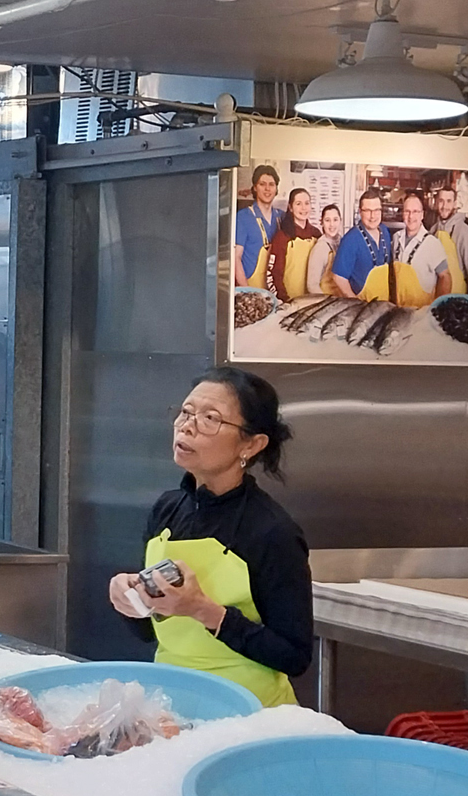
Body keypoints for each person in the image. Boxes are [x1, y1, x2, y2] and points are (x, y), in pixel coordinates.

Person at [108, 367, 311, 708]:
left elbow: (294, 655)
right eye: (186, 412)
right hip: (172, 704)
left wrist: (205, 611)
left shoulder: (273, 531)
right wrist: (129, 601)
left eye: (210, 418)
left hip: (250, 714)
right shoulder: (167, 509)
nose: (187, 426)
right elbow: (148, 632)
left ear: (252, 444)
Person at [328, 189, 392, 298]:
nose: (372, 216)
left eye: (376, 210)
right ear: (360, 212)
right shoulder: (351, 239)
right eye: (368, 211)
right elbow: (338, 277)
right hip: (362, 305)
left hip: (383, 302)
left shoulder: (385, 231)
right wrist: (355, 302)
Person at [392, 189, 451, 307]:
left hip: (422, 311)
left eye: (415, 211)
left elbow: (445, 276)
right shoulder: (396, 238)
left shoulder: (432, 243)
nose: (411, 216)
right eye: (407, 211)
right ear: (402, 213)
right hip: (398, 309)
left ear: (422, 215)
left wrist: (438, 307)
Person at [262, 188, 321, 298]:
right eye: (298, 204)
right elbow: (273, 274)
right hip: (290, 301)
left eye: (307, 203)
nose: (303, 208)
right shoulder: (282, 237)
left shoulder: (316, 234)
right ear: (290, 207)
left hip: (313, 300)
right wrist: (284, 300)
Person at [430, 177, 468, 299]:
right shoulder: (433, 230)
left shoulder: (463, 231)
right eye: (441, 201)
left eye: (449, 201)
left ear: (455, 203)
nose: (444, 206)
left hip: (458, 297)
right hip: (436, 297)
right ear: (436, 203)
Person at [233, 164, 281, 287]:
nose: (267, 189)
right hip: (251, 287)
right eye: (262, 184)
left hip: (274, 290)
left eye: (271, 184)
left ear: (276, 188)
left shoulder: (281, 217)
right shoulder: (243, 217)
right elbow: (236, 257)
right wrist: (246, 291)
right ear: (255, 188)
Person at [303, 201, 343, 299]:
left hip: (342, 299)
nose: (332, 224)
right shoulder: (320, 248)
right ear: (321, 222)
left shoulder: (343, 242)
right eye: (327, 220)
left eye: (335, 220)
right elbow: (312, 286)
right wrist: (328, 302)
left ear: (340, 221)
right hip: (327, 302)